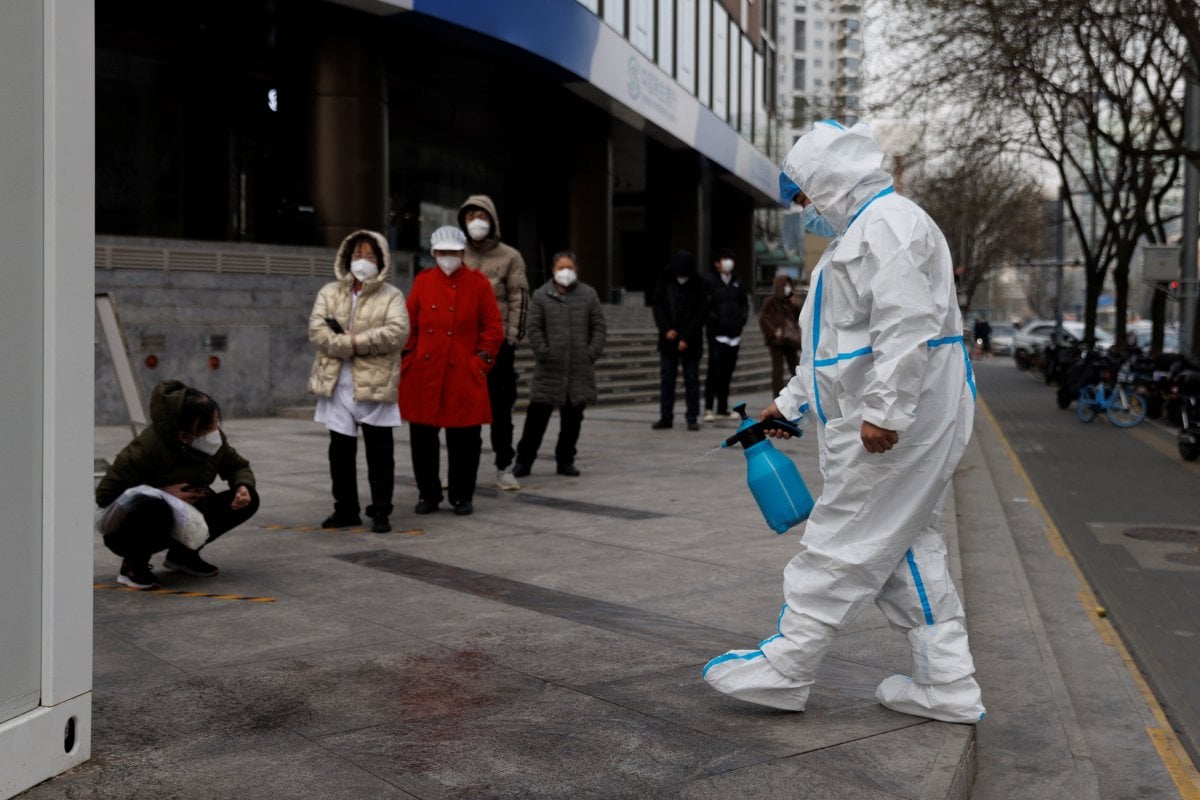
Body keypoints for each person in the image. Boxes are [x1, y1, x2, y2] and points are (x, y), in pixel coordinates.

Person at [702, 120, 985, 724]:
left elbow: (906, 327)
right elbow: (833, 349)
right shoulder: (862, 236)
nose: (804, 209)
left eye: (805, 195)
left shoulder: (890, 227)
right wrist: (791, 401)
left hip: (892, 427)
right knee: (903, 546)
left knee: (841, 537)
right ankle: (947, 683)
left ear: (830, 182)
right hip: (884, 420)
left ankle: (788, 667)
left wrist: (886, 414)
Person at [95, 380, 259, 589]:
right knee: (155, 507)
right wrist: (160, 492)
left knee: (250, 500)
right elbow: (106, 496)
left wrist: (243, 487)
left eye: (216, 422)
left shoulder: (213, 440)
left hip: (187, 512)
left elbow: (238, 467)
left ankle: (183, 556)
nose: (214, 430)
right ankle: (133, 565)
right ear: (183, 435)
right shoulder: (144, 450)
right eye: (208, 426)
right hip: (131, 528)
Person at [308, 229, 410, 533]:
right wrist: (346, 345)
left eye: (369, 255)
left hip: (375, 382)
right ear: (345, 258)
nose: (362, 261)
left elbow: (396, 333)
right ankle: (345, 509)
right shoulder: (329, 292)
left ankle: (381, 510)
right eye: (357, 255)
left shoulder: (392, 295)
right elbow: (317, 331)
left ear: (381, 260)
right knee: (339, 453)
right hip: (337, 384)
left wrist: (356, 342)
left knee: (380, 454)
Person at [400, 225, 504, 516]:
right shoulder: (423, 281)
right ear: (434, 253)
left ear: (463, 253)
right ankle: (428, 494)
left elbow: (493, 327)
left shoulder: (478, 283)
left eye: (454, 253)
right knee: (423, 440)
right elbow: (409, 324)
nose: (448, 258)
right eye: (443, 252)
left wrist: (480, 361)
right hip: (425, 372)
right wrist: (408, 359)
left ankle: (462, 495)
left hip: (463, 372)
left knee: (465, 441)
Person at [512, 251, 607, 478]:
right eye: (561, 267)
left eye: (570, 267)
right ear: (553, 270)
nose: (566, 272)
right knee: (536, 420)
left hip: (578, 370)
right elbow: (533, 328)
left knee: (572, 420)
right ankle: (524, 461)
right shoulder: (542, 295)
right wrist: (543, 352)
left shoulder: (588, 294)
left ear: (577, 270)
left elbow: (599, 327)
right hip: (549, 369)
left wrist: (589, 354)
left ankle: (565, 460)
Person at [458, 194, 530, 491]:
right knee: (463, 409)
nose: (476, 222)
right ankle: (462, 468)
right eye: (471, 216)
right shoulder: (456, 253)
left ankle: (504, 466)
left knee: (501, 409)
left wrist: (512, 337)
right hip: (463, 345)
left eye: (482, 216)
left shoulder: (510, 256)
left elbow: (519, 297)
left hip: (497, 345)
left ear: (492, 220)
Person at [651, 250, 709, 431]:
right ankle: (665, 416)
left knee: (691, 379)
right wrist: (666, 329)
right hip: (668, 339)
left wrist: (685, 337)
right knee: (667, 379)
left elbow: (701, 313)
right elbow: (657, 305)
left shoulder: (699, 283)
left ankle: (692, 416)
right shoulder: (666, 279)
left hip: (691, 340)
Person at [702, 248, 750, 421]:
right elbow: (706, 306)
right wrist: (714, 321)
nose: (728, 262)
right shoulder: (709, 281)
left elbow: (744, 304)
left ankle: (722, 407)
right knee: (713, 372)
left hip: (734, 334)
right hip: (717, 334)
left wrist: (741, 321)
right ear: (716, 263)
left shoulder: (737, 281)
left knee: (727, 372)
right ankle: (708, 407)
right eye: (724, 259)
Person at [759, 274, 803, 396]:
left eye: (789, 285)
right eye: (785, 285)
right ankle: (777, 397)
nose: (788, 288)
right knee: (778, 369)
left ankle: (800, 393)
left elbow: (799, 318)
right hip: (777, 341)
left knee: (795, 367)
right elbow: (763, 318)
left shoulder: (790, 302)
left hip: (790, 340)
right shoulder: (771, 301)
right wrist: (773, 332)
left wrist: (795, 303)